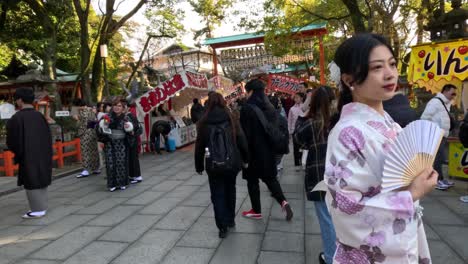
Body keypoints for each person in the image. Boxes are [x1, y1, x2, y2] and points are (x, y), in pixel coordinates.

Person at [325, 33, 436, 263]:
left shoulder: (389, 122)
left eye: (392, 64)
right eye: (377, 68)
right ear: (349, 80)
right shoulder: (346, 133)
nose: (390, 74)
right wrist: (412, 193)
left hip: (406, 234)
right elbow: (347, 208)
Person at [194, 92, 249, 238]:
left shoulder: (203, 122)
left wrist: (199, 165)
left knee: (217, 194)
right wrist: (246, 158)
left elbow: (199, 146)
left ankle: (222, 226)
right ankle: (230, 219)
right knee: (231, 190)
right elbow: (241, 139)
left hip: (213, 165)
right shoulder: (231, 118)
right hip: (232, 163)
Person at [240, 78, 293, 221]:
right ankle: (283, 202)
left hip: (252, 153)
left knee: (252, 182)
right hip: (268, 151)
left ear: (251, 92)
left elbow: (245, 135)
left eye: (247, 92)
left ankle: (256, 210)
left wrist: (243, 155)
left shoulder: (247, 108)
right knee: (270, 179)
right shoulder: (270, 107)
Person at [294, 87, 336, 264]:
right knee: (342, 217)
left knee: (326, 218)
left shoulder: (312, 123)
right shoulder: (342, 120)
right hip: (343, 175)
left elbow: (298, 140)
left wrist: (303, 112)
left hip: (319, 175)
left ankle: (331, 257)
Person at [7, 87, 52, 218]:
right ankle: (42, 205)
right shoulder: (40, 116)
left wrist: (17, 153)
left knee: (31, 179)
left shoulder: (17, 118)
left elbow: (13, 140)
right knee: (41, 177)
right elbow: (48, 136)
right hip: (43, 153)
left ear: (20, 100)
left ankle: (37, 210)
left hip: (27, 154)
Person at [421, 84, 457, 190]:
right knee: (438, 158)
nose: (454, 96)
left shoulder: (446, 104)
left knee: (440, 158)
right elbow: (424, 118)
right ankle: (438, 180)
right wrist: (432, 131)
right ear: (445, 91)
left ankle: (440, 179)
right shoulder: (435, 102)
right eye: (453, 93)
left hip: (442, 134)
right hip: (436, 134)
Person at [97, 99, 132, 192]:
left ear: (123, 108)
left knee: (121, 163)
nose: (117, 107)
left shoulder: (126, 118)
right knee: (110, 163)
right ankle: (112, 184)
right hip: (109, 142)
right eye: (115, 105)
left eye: (119, 106)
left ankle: (122, 183)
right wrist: (103, 130)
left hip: (122, 143)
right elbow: (100, 128)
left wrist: (129, 129)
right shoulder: (107, 117)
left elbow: (132, 131)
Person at [73, 99, 100, 178]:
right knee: (93, 150)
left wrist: (76, 116)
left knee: (85, 151)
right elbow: (95, 120)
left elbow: (78, 121)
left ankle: (86, 169)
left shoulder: (82, 111)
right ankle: (95, 168)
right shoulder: (91, 109)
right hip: (93, 132)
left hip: (85, 133)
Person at [124, 102, 143, 184]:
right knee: (132, 158)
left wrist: (131, 131)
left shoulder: (129, 116)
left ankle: (137, 176)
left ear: (128, 107)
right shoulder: (130, 115)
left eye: (124, 106)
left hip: (131, 140)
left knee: (133, 158)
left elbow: (132, 128)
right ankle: (133, 175)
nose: (123, 108)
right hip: (133, 139)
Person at [288, 92, 306, 167]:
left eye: (297, 97)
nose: (296, 99)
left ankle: (302, 160)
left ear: (302, 98)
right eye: (295, 98)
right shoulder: (292, 109)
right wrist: (289, 131)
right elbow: (289, 120)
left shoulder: (305, 107)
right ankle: (296, 163)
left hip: (303, 130)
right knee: (295, 147)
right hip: (294, 131)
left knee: (303, 147)